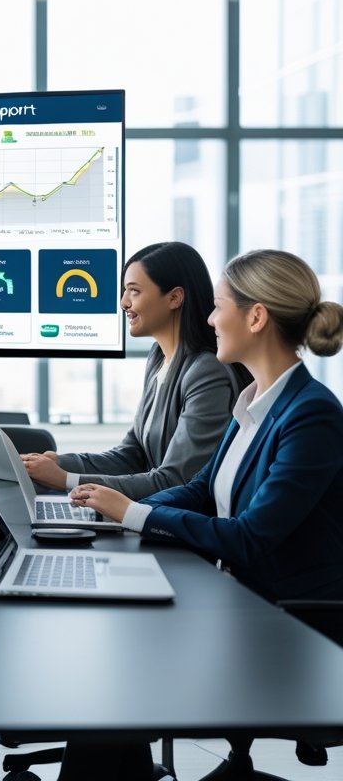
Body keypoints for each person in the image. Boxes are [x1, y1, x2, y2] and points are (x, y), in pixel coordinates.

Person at [68, 249, 343, 780]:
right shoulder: (254, 401)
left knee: (109, 677)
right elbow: (199, 490)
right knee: (108, 664)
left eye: (218, 307)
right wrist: (115, 512)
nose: (211, 319)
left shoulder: (312, 415)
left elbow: (248, 538)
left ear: (256, 316)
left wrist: (135, 514)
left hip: (289, 630)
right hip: (237, 603)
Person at [22, 241, 247, 498]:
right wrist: (60, 463)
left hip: (176, 514)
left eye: (134, 291)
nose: (123, 302)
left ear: (174, 298)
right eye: (125, 291)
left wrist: (66, 479)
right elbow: (133, 454)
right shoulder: (159, 357)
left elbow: (175, 480)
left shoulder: (207, 372)